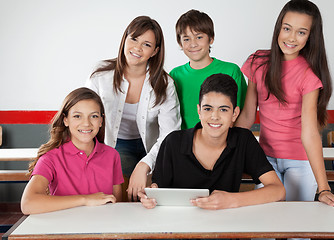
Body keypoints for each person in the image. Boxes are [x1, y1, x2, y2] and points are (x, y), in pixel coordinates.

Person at [236, 0, 334, 210]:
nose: (291, 37)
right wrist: (223, 150)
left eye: (301, 32)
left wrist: (324, 188)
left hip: (300, 161)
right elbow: (248, 116)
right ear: (279, 28)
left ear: (311, 36)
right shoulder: (258, 62)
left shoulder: (308, 75)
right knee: (266, 223)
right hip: (265, 159)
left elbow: (310, 132)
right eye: (287, 29)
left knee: (296, 227)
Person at [139, 74, 285, 210]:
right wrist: (150, 197)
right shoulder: (173, 142)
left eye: (223, 110)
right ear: (199, 111)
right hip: (179, 230)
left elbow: (278, 190)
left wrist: (232, 200)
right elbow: (157, 190)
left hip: (224, 229)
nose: (214, 116)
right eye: (208, 109)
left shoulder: (243, 140)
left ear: (234, 114)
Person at [85, 16, 181, 201]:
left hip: (154, 146)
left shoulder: (165, 83)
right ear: (125, 39)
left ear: (155, 51)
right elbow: (84, 118)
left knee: (156, 187)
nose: (137, 48)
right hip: (116, 143)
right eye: (134, 39)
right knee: (121, 189)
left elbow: (170, 134)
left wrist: (145, 164)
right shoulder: (100, 75)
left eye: (146, 44)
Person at [21, 87, 123, 214]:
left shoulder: (112, 155)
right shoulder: (50, 158)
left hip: (102, 229)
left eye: (94, 116)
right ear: (65, 120)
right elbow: (27, 204)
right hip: (64, 229)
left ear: (101, 121)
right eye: (77, 116)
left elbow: (117, 203)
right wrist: (85, 200)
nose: (86, 123)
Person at [169, 9, 247, 130]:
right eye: (186, 39)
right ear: (180, 43)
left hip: (223, 142)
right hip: (186, 144)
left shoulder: (231, 71)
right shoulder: (175, 75)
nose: (193, 44)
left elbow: (241, 113)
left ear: (210, 39)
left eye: (199, 37)